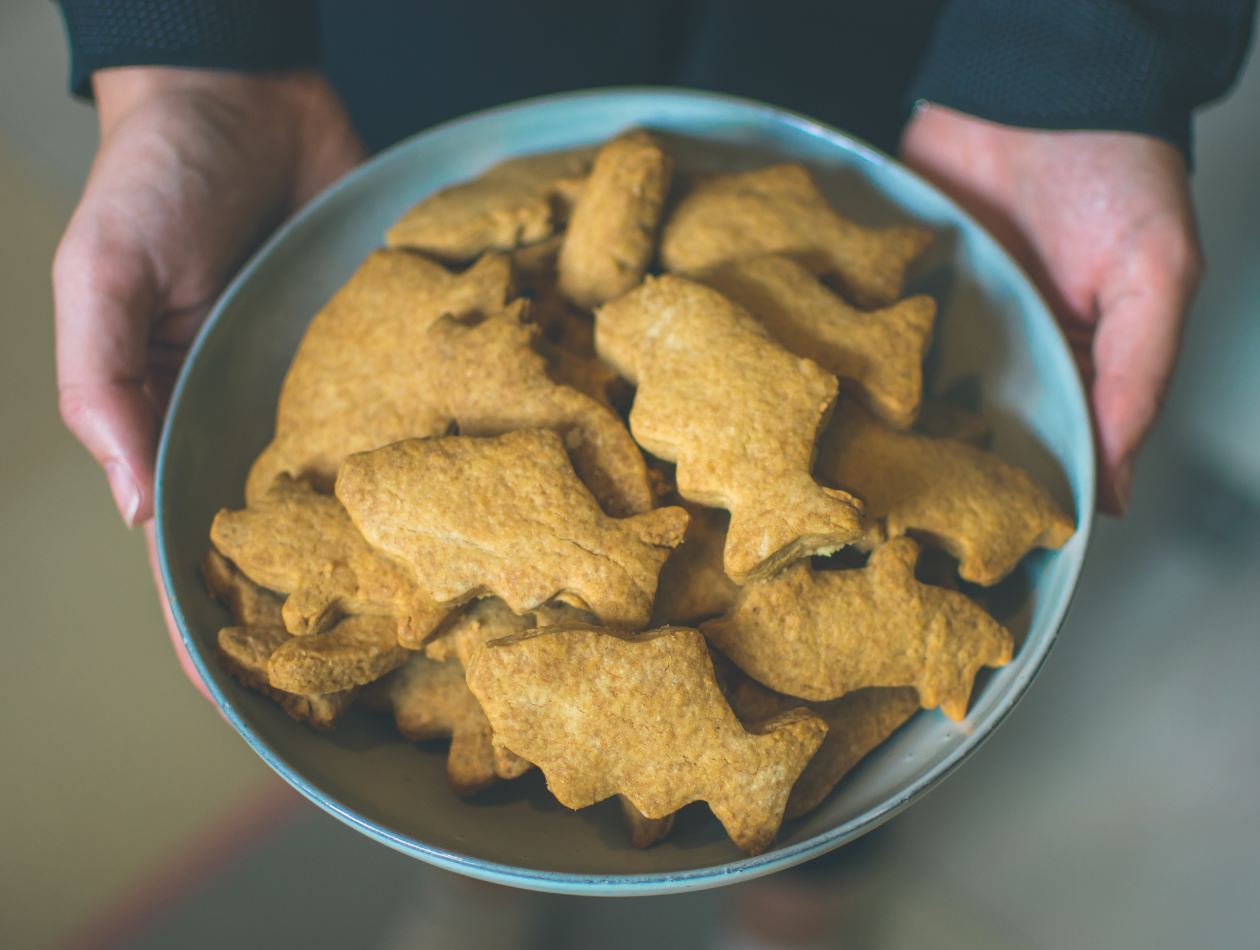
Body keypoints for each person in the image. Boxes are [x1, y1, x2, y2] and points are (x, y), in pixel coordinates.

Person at [49, 2, 1256, 947]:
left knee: (828, 750)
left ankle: (796, 911)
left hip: (902, 73)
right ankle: (487, 889)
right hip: (419, 54)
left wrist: (1078, 59)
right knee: (470, 747)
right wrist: (188, 51)